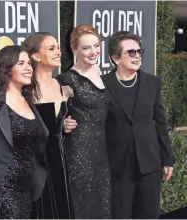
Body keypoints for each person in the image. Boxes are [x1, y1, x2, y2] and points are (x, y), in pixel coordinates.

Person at [101, 31, 175, 218]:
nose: (137, 56)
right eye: (131, 53)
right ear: (115, 58)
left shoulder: (152, 83)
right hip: (118, 166)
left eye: (139, 51)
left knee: (149, 214)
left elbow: (160, 121)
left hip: (149, 163)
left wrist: (167, 159)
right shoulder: (102, 84)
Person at [0, 45, 49, 219]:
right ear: (6, 68)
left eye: (29, 63)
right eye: (21, 63)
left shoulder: (28, 99)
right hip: (1, 188)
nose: (28, 68)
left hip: (29, 188)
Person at [56, 24, 111, 219]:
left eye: (96, 46)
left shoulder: (107, 77)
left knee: (103, 205)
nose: (93, 52)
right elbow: (50, 117)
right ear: (75, 50)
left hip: (104, 153)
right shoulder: (66, 80)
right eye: (86, 47)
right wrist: (61, 125)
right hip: (79, 152)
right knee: (83, 206)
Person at [22, 32, 74, 219]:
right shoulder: (25, 89)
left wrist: (64, 125)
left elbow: (56, 125)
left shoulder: (61, 86)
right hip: (35, 165)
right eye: (51, 48)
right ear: (35, 56)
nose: (58, 52)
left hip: (59, 160)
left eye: (58, 48)